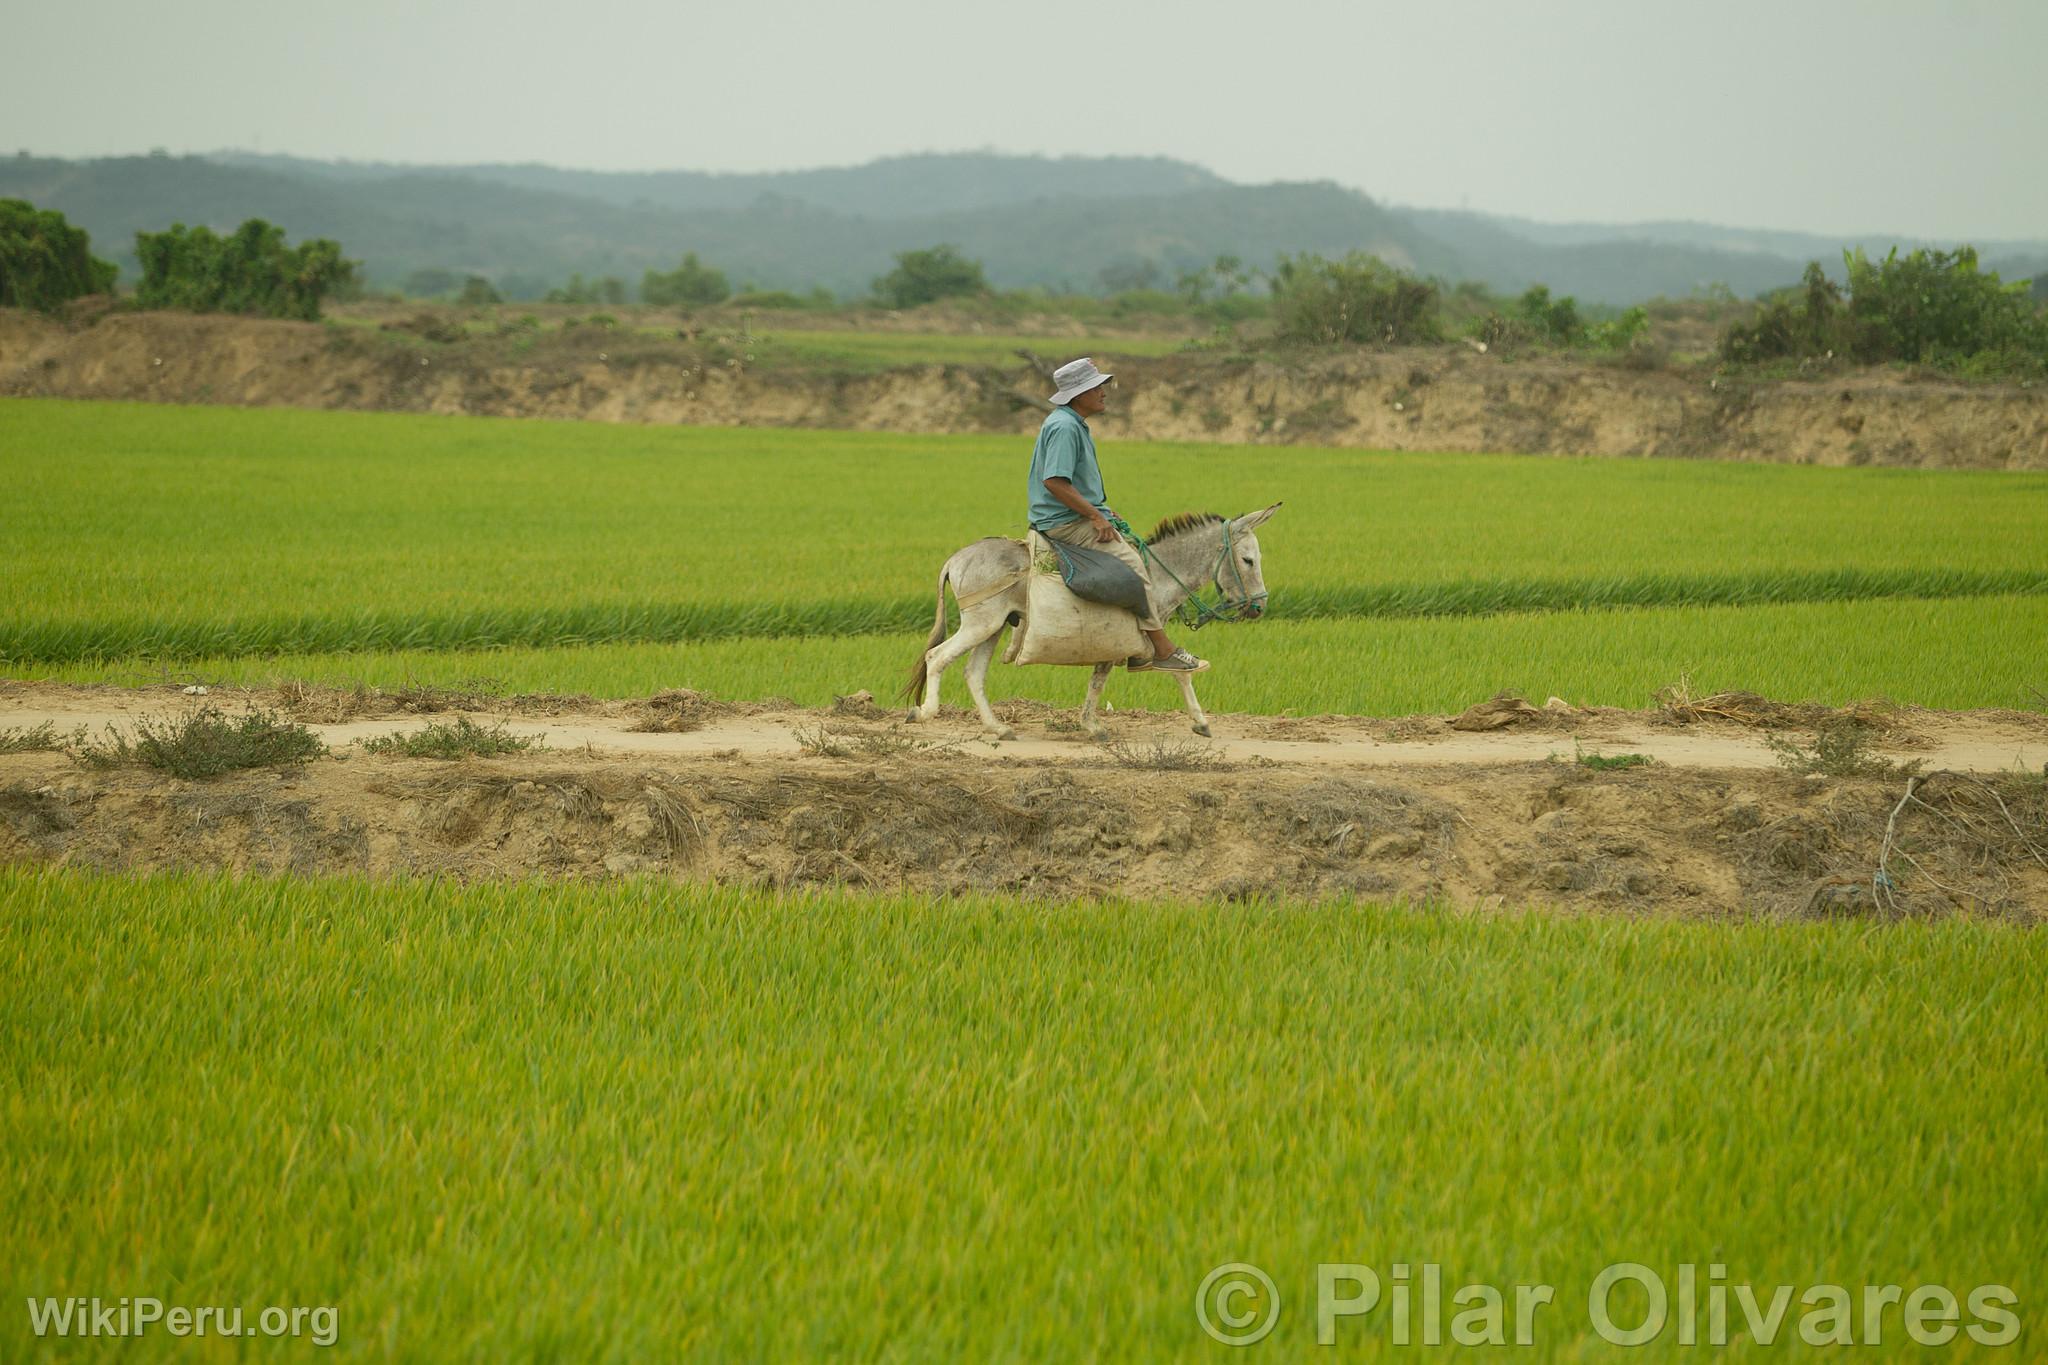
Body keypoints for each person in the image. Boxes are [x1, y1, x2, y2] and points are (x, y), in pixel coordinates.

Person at [1027, 357, 1208, 673]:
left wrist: (1101, 510)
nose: (1103, 392)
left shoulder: (1070, 423)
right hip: (1064, 524)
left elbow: (1071, 482)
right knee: (1135, 567)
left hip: (1072, 515)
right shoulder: (1065, 427)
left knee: (1132, 554)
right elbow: (1054, 481)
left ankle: (1136, 646)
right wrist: (1095, 517)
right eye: (1096, 387)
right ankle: (1162, 650)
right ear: (1078, 394)